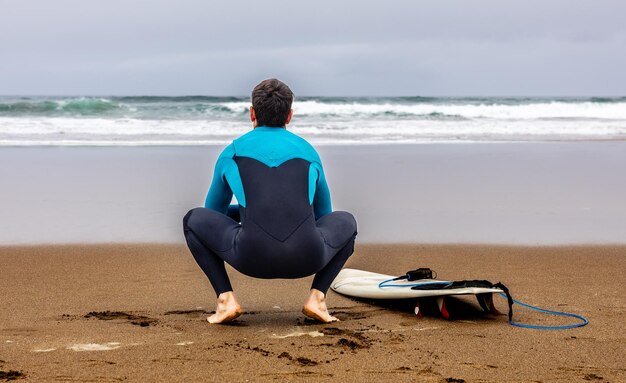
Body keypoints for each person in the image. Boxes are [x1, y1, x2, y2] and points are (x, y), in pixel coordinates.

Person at [183, 79, 357, 324]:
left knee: (193, 219)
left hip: (250, 257)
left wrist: (246, 214)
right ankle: (317, 297)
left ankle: (226, 300)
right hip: (308, 257)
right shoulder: (309, 152)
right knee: (346, 221)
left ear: (252, 113)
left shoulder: (232, 152)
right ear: (289, 116)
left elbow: (213, 215)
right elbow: (323, 217)